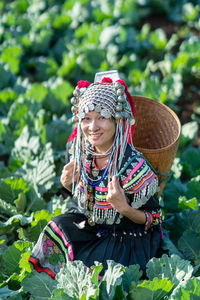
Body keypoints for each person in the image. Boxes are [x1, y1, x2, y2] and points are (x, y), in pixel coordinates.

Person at [29, 71, 163, 279]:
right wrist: (67, 185)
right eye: (87, 118)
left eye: (102, 117)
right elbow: (83, 202)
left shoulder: (134, 167)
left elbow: (154, 219)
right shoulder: (78, 150)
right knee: (54, 230)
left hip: (125, 236)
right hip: (89, 225)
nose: (92, 127)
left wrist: (124, 208)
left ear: (116, 121)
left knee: (101, 273)